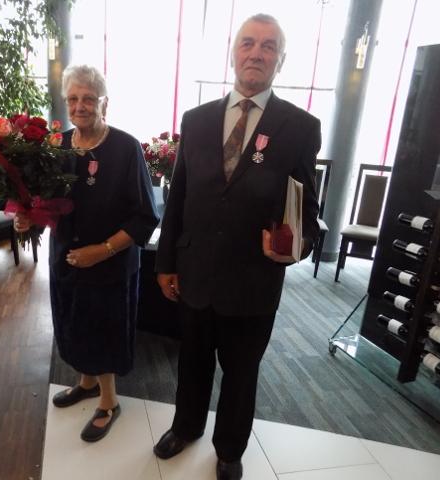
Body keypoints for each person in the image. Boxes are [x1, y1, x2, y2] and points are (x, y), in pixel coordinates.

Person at [153, 14, 321, 480]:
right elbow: (178, 198)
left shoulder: (300, 126)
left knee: (242, 372)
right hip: (196, 271)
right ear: (233, 53)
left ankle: (229, 449)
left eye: (268, 46)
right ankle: (185, 427)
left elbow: (307, 207)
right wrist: (166, 262)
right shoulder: (196, 120)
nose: (256, 53)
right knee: (192, 362)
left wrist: (296, 245)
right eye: (248, 43)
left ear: (280, 60)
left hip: (254, 279)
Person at [15, 65, 159, 442]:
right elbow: (44, 202)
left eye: (89, 99)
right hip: (66, 257)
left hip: (111, 263)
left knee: (103, 329)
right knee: (73, 322)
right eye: (73, 99)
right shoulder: (57, 146)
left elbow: (145, 216)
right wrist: (27, 219)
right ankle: (86, 382)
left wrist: (103, 250)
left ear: (104, 103)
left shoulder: (126, 148)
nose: (80, 106)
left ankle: (109, 402)